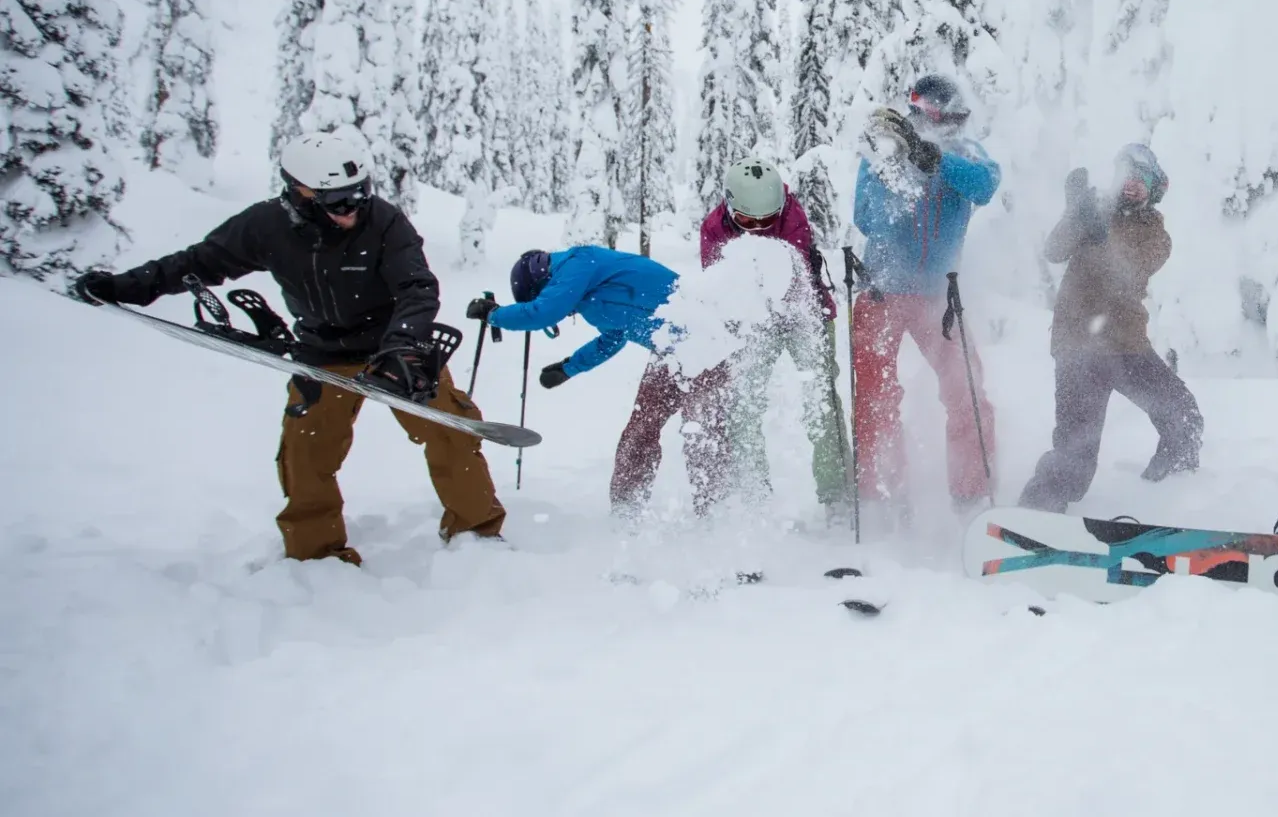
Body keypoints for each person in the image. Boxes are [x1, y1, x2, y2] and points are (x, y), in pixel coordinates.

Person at [73, 132, 506, 566]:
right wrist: (123, 288)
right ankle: (316, 555)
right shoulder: (266, 227)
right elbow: (196, 262)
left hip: (394, 350)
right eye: (339, 202)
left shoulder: (385, 222)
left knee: (451, 430)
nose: (353, 209)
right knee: (305, 456)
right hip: (322, 354)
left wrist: (401, 348)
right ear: (301, 195)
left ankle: (476, 534)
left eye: (361, 195)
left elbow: (417, 288)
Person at [467, 246, 731, 517]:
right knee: (640, 431)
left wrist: (494, 315)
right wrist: (568, 368)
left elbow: (543, 312)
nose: (568, 313)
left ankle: (717, 511)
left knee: (703, 429)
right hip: (669, 353)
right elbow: (612, 338)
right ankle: (626, 512)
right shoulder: (590, 299)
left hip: (706, 343)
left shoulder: (579, 262)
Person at [1017, 144, 1203, 514]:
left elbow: (1128, 269)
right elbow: (1054, 249)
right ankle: (1035, 515)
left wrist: (1101, 235)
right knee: (1075, 449)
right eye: (1125, 175)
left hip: (1126, 345)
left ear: (1155, 187)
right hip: (1078, 346)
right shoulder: (1092, 211)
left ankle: (1167, 498)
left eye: (1142, 178)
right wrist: (1075, 213)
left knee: (1182, 416)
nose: (1132, 185)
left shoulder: (1155, 233)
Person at [851, 73, 1001, 514]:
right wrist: (903, 170)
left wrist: (937, 161)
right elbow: (867, 218)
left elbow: (985, 185)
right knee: (876, 395)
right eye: (945, 118)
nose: (953, 126)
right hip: (882, 290)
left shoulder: (966, 154)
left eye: (959, 118)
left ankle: (972, 495)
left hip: (939, 296)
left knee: (967, 391)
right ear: (922, 112)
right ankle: (883, 492)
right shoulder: (883, 152)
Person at [697, 156, 849, 517]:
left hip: (803, 314)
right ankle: (754, 496)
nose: (759, 229)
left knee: (821, 403)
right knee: (743, 404)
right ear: (730, 205)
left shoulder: (792, 215)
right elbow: (719, 285)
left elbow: (787, 281)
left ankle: (836, 495)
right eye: (748, 221)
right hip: (752, 320)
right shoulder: (713, 227)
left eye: (767, 220)